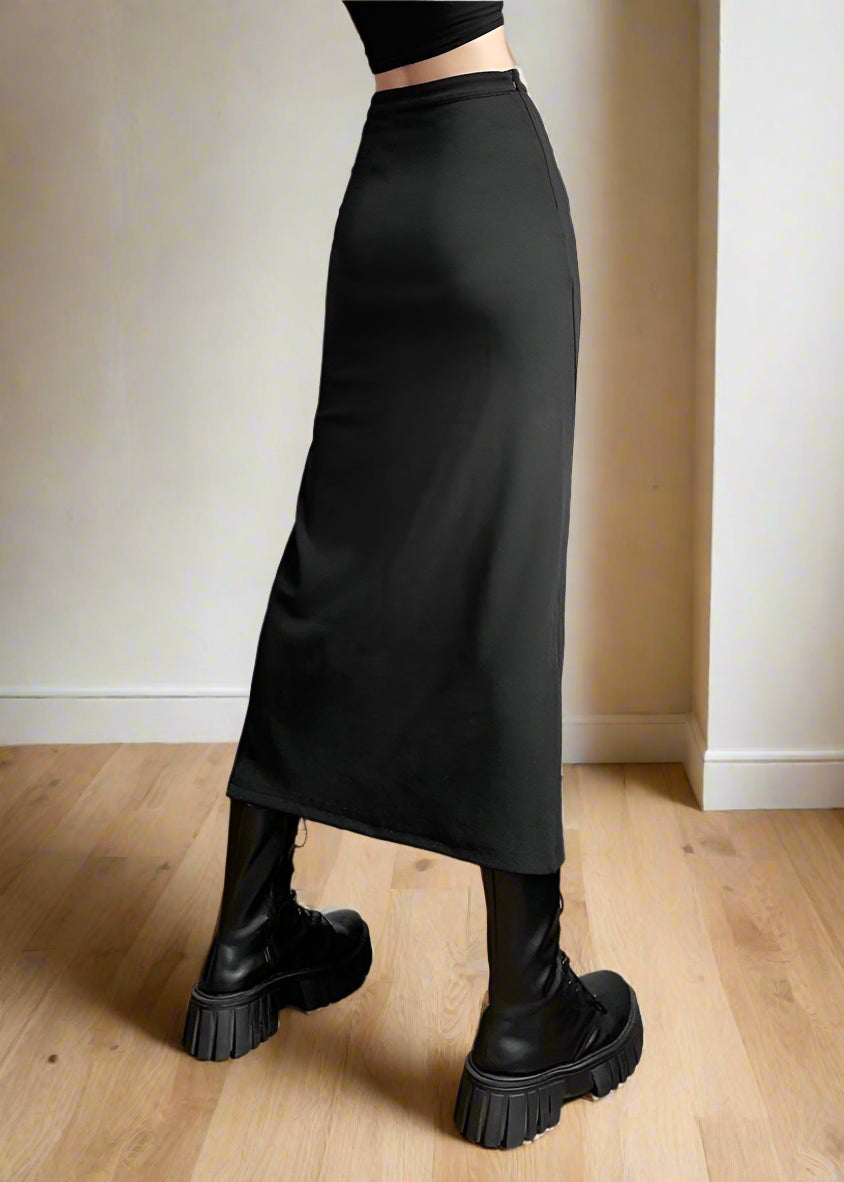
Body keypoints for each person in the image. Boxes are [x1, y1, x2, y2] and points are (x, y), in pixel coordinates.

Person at [181, 1, 643, 1150]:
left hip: (384, 195)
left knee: (329, 555)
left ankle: (243, 943)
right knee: (504, 585)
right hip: (487, 180)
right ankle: (527, 1010)